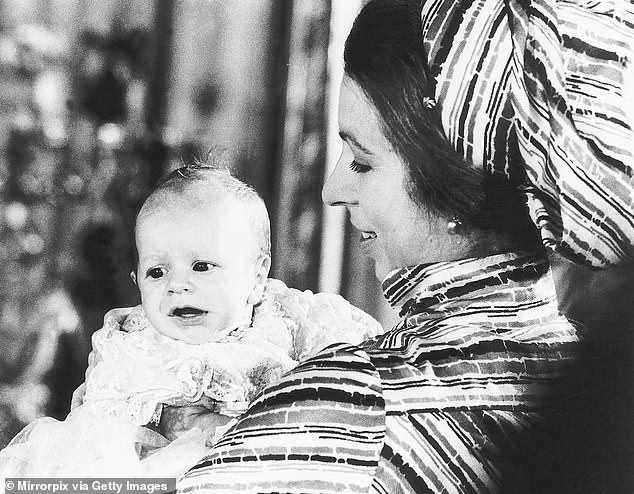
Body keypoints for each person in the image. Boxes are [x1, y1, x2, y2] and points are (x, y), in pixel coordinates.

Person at [174, 1, 580, 492]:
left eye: (362, 162)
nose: (332, 190)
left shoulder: (353, 410)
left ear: (455, 189)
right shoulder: (592, 384)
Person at [0, 162, 382, 479]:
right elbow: (101, 422)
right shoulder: (135, 342)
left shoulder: (284, 320)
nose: (177, 286)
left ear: (257, 277)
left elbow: (353, 353)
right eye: (156, 272)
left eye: (202, 266)